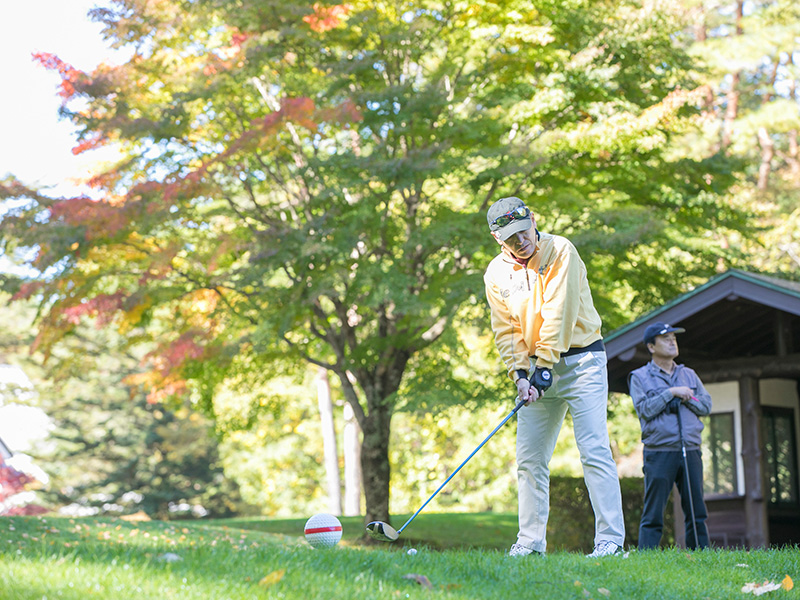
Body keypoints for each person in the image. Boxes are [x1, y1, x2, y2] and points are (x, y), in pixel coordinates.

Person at [483, 196, 626, 558]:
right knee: (529, 458)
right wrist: (519, 375)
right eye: (511, 237)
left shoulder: (560, 249)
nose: (521, 241)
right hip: (534, 370)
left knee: (594, 450)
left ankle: (610, 541)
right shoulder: (495, 273)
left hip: (583, 362)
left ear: (533, 220)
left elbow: (559, 310)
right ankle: (530, 544)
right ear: (498, 239)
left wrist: (544, 367)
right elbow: (506, 330)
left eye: (524, 231)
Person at [628, 322, 712, 550]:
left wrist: (687, 397)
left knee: (696, 509)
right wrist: (670, 393)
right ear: (651, 346)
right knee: (653, 510)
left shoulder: (689, 374)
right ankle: (647, 557)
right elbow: (644, 409)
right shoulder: (640, 377)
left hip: (691, 449)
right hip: (659, 451)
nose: (672, 341)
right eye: (665, 338)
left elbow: (706, 405)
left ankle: (702, 555)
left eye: (674, 338)